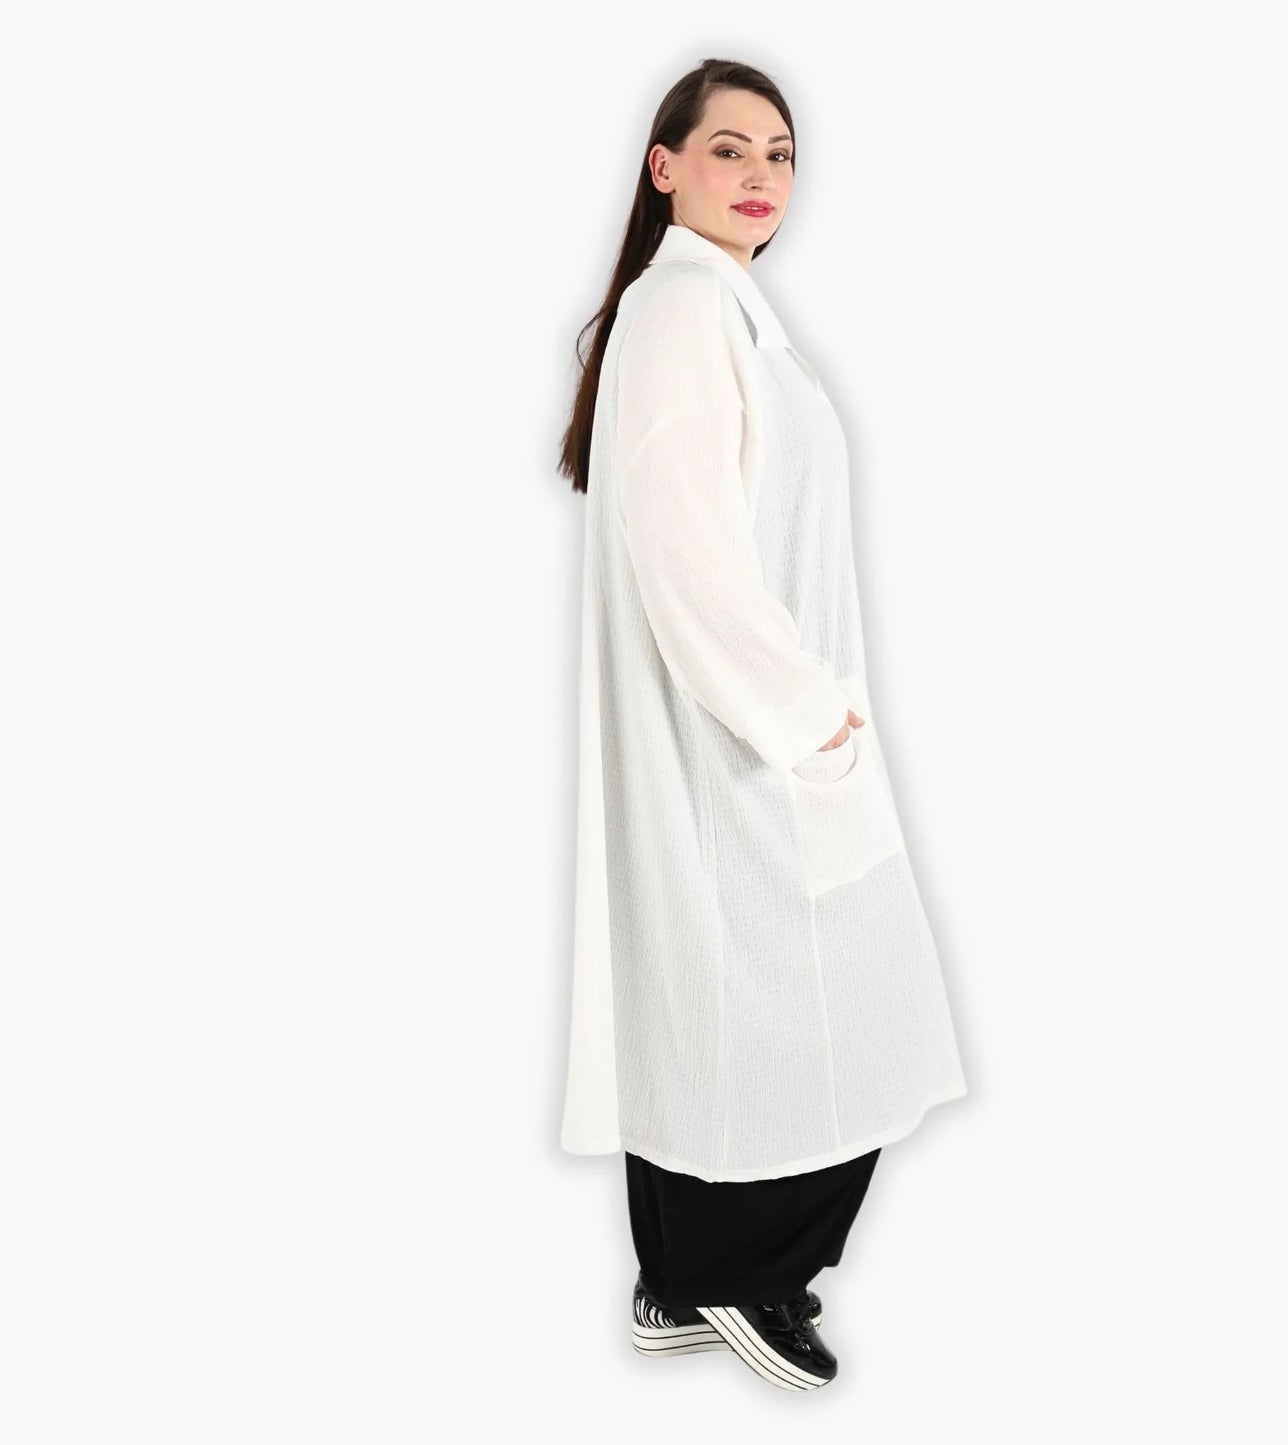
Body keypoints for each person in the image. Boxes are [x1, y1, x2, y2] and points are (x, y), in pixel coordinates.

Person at [555, 58, 968, 1392]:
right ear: (664, 166)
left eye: (779, 154)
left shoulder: (710, 308)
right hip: (746, 724)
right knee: (798, 1003)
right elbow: (689, 551)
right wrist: (808, 719)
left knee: (731, 994)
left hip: (756, 724)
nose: (759, 176)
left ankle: (682, 1280)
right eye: (728, 148)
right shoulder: (683, 309)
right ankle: (732, 1271)